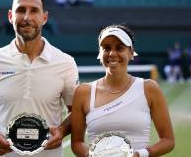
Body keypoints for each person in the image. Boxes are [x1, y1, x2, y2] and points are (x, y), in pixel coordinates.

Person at [0, 0, 79, 157]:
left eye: (34, 11)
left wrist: (61, 131)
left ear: (44, 17)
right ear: (11, 16)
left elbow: (76, 112)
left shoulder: (65, 63)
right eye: (21, 10)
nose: (27, 17)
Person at [71, 24, 175, 157]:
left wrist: (138, 155)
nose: (112, 54)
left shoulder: (149, 88)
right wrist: (92, 155)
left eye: (119, 48)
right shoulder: (83, 92)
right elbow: (77, 143)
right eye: (106, 48)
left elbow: (168, 141)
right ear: (100, 53)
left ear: (131, 53)